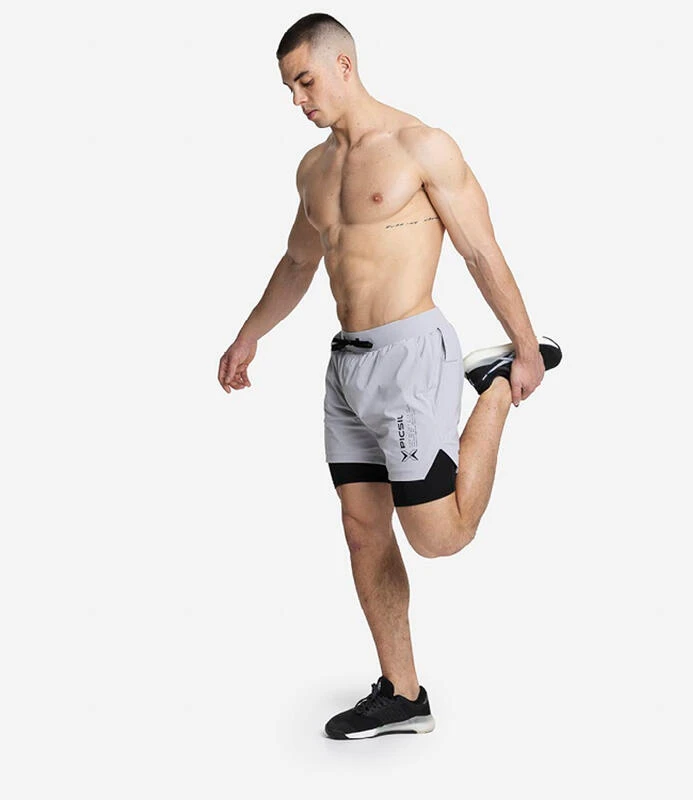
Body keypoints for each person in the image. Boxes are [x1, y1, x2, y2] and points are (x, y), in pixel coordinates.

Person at [217, 13, 563, 739]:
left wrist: (526, 347)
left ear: (344, 65)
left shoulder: (421, 146)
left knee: (439, 537)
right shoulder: (313, 170)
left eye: (305, 80)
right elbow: (298, 262)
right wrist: (249, 334)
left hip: (411, 355)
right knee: (361, 528)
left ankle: (495, 385)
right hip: (346, 365)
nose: (297, 99)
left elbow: (480, 250)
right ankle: (404, 695)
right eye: (288, 88)